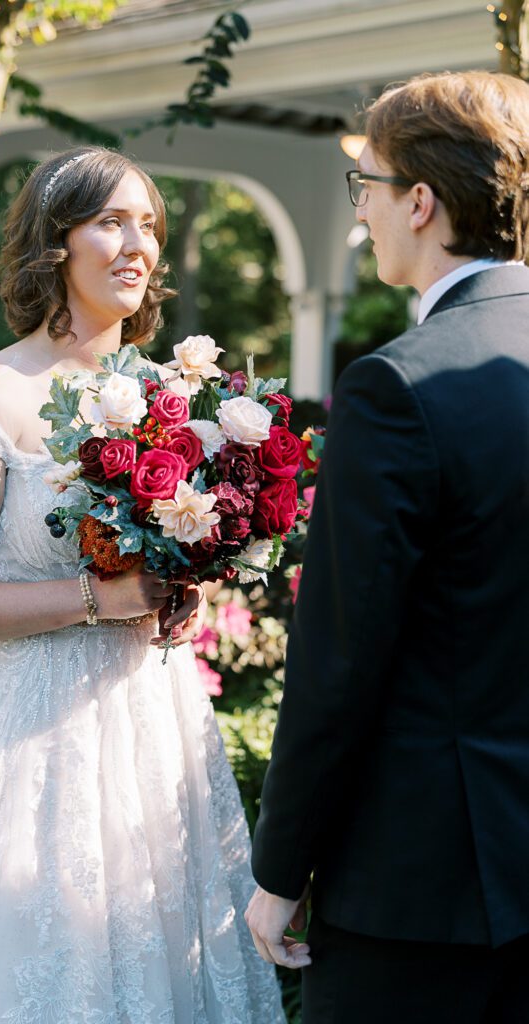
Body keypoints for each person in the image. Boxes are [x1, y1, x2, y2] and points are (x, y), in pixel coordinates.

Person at [0, 147, 285, 1023]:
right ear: (56, 242)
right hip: (23, 748)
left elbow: (159, 551)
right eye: (111, 221)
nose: (137, 244)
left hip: (152, 729)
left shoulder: (171, 393)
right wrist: (100, 600)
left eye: (149, 225)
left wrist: (181, 583)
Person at [245, 70, 529, 1023]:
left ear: (420, 200)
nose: (359, 211)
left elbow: (340, 657)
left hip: (427, 883)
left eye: (364, 183)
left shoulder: (397, 388)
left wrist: (281, 868)